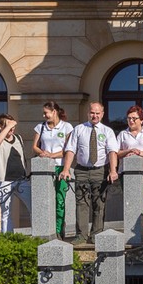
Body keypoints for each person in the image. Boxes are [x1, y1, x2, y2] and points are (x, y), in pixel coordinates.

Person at [59, 102, 119, 244]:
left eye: (98, 113)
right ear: (88, 113)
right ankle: (82, 235)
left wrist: (113, 170)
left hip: (100, 170)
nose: (95, 116)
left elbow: (112, 151)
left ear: (102, 114)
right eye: (92, 113)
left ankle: (96, 235)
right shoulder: (79, 129)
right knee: (82, 202)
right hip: (82, 170)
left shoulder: (107, 131)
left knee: (99, 203)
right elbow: (71, 150)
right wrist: (66, 169)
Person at [33, 101, 73, 238]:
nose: (44, 115)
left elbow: (68, 149)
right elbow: (35, 146)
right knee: (45, 199)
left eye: (46, 112)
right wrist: (42, 153)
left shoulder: (66, 127)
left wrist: (52, 155)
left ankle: (59, 228)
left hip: (61, 166)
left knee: (60, 199)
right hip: (45, 168)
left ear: (54, 111)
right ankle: (47, 229)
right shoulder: (41, 127)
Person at [116, 106, 143, 234]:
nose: (131, 121)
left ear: (141, 120)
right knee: (129, 202)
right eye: (129, 118)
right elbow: (117, 153)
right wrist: (129, 151)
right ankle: (131, 231)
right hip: (126, 172)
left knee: (142, 200)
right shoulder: (122, 134)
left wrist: (139, 153)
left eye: (134, 118)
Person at [0, 114, 31, 233]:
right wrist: (8, 127)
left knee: (34, 207)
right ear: (0, 126)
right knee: (6, 212)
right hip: (4, 181)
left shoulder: (18, 138)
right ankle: (7, 238)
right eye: (8, 125)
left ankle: (39, 237)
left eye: (13, 126)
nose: (12, 129)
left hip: (22, 180)